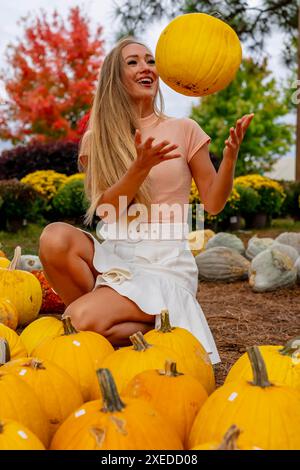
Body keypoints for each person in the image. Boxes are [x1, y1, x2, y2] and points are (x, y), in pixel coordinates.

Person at [39, 37, 254, 365]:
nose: (146, 68)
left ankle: (138, 321)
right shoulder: (98, 138)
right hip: (117, 256)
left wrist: (229, 159)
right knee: (54, 238)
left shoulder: (184, 129)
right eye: (133, 62)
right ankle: (127, 322)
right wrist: (139, 168)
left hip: (164, 264)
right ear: (116, 77)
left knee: (79, 321)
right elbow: (106, 210)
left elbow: (212, 203)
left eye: (150, 61)